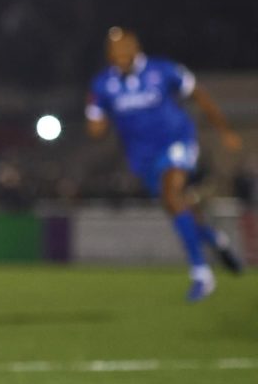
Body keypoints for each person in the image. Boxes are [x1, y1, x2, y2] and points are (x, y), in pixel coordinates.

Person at [86, 27, 244, 301]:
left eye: (123, 48)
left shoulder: (163, 70)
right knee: (178, 205)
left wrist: (225, 130)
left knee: (172, 194)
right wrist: (96, 124)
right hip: (142, 157)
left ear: (135, 48)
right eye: (114, 50)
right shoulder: (102, 84)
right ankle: (215, 240)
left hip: (177, 142)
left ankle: (201, 274)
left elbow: (198, 94)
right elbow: (95, 126)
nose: (119, 54)